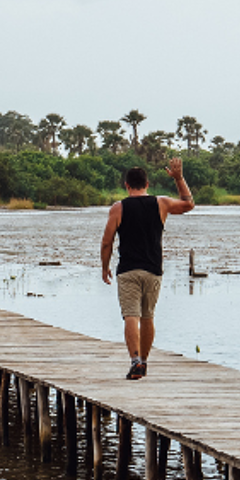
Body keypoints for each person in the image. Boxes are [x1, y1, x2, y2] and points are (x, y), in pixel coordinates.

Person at [100, 157, 194, 380]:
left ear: (127, 185)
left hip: (128, 270)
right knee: (148, 316)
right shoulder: (160, 203)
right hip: (153, 269)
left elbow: (107, 241)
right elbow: (188, 203)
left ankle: (135, 361)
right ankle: (144, 361)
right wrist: (179, 178)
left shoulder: (118, 208)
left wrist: (104, 267)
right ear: (147, 184)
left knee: (130, 315)